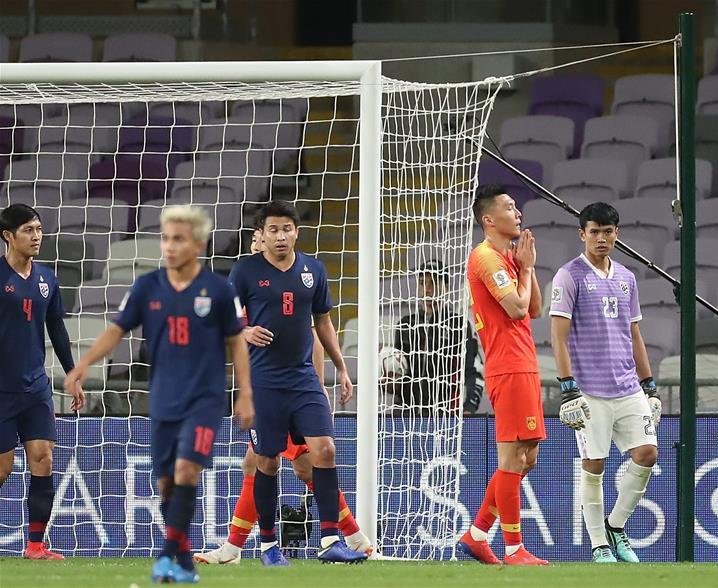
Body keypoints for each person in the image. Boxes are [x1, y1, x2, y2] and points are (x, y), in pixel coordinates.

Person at [64, 205, 254, 583]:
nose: (169, 246)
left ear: (198, 244)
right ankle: (182, 559)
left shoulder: (218, 289)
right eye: (166, 238)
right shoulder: (147, 286)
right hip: (164, 398)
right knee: (166, 481)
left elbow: (237, 343)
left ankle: (167, 556)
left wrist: (245, 393)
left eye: (178, 239)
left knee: (187, 469)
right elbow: (116, 330)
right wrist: (83, 365)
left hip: (205, 398)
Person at [195, 229, 373, 565]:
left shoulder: (288, 285)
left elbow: (313, 335)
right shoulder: (248, 295)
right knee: (259, 462)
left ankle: (351, 536)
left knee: (304, 467)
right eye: (253, 243)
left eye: (258, 241)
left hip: (294, 390)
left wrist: (318, 387)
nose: (254, 248)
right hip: (266, 391)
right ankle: (235, 548)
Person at [548, 201, 661, 564]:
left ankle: (616, 526)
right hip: (589, 390)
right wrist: (568, 389)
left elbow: (635, 334)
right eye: (594, 231)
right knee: (594, 464)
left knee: (647, 454)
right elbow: (558, 337)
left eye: (607, 232)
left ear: (617, 234)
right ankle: (598, 545)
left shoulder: (627, 278)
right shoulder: (569, 276)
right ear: (582, 234)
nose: (601, 238)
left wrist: (650, 384)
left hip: (628, 386)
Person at [457, 185, 548, 566]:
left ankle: (477, 535)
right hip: (506, 365)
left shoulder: (508, 258)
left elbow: (535, 309)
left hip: (523, 362)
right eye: (510, 208)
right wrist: (523, 269)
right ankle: (514, 549)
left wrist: (527, 267)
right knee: (513, 458)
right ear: (488, 219)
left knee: (528, 458)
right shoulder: (486, 259)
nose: (518, 213)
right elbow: (515, 309)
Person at [0, 204, 84, 560]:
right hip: (1, 388)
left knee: (43, 457)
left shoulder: (47, 278)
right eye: (28, 230)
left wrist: (72, 372)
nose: (36, 236)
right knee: (2, 468)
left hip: (35, 387)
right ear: (8, 236)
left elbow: (57, 329)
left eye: (38, 229)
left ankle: (35, 546)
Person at [392, 260, 483, 415]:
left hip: (446, 417)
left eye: (433, 283)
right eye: (422, 283)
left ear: (446, 288)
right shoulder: (405, 325)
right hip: (407, 417)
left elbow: (474, 371)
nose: (427, 289)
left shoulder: (459, 325)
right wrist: (390, 383)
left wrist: (469, 407)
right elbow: (398, 372)